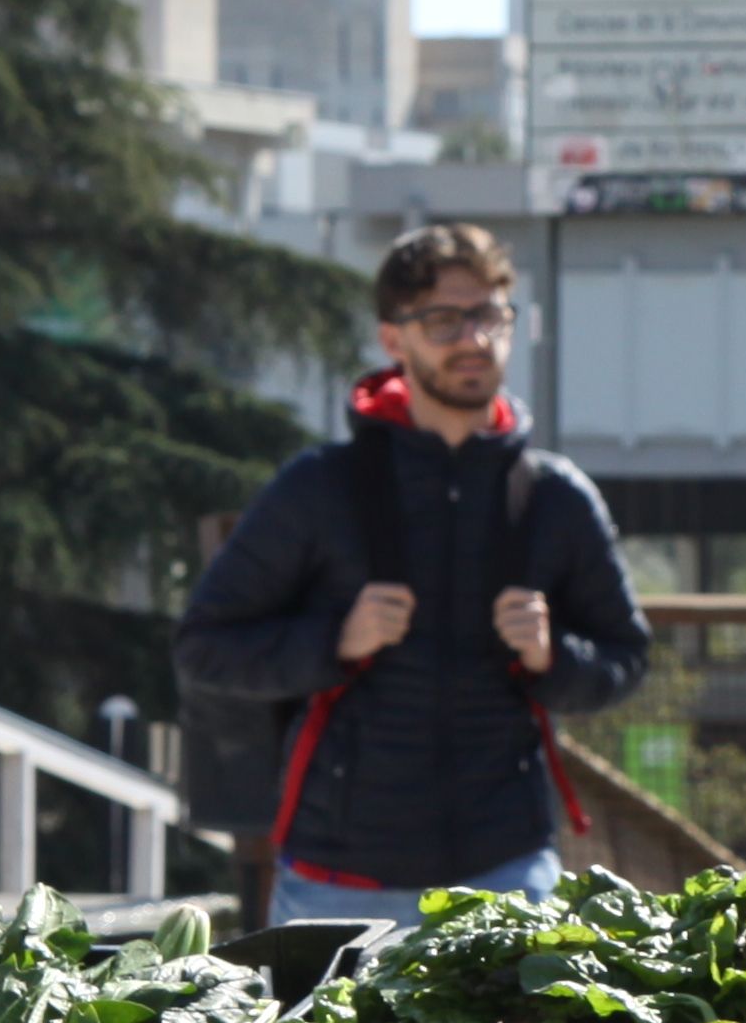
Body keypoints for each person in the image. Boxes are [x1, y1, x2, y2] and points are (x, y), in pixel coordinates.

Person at [177, 223, 653, 925]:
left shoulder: (555, 497)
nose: (473, 339)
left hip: (508, 876)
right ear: (393, 339)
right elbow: (205, 646)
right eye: (443, 319)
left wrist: (552, 656)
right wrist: (336, 640)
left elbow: (628, 659)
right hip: (336, 882)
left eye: (490, 316)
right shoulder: (321, 487)